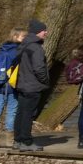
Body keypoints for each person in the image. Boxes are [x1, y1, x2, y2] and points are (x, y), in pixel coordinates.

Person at [13, 19, 48, 152]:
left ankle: (18, 140)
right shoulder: (36, 47)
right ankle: (26, 142)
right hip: (32, 86)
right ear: (38, 31)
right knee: (28, 114)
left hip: (22, 84)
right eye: (44, 30)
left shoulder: (24, 45)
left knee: (21, 113)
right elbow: (39, 69)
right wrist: (44, 81)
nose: (46, 32)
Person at [0, 29, 25, 148]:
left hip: (0, 85)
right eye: (23, 36)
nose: (25, 39)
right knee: (11, 111)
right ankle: (10, 140)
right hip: (13, 85)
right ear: (15, 36)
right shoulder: (18, 51)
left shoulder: (3, 49)